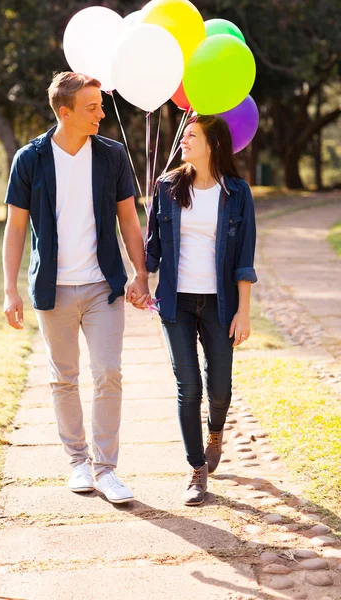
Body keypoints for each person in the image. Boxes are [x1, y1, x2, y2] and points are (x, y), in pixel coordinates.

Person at [2, 71, 149, 504]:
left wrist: (140, 273)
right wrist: (10, 289)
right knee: (63, 379)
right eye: (92, 107)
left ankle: (106, 469)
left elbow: (128, 219)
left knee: (109, 373)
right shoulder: (29, 159)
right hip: (54, 291)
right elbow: (14, 228)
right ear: (65, 112)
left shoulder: (112, 155)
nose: (101, 114)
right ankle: (78, 463)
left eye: (101, 106)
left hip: (104, 287)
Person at [145, 115, 257, 506]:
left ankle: (215, 432)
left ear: (213, 145)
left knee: (220, 389)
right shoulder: (166, 187)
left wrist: (243, 311)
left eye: (192, 136)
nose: (183, 141)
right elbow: (152, 251)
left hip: (220, 303)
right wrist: (138, 279)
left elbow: (244, 258)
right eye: (184, 135)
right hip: (175, 302)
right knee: (188, 387)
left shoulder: (237, 193)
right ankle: (196, 469)